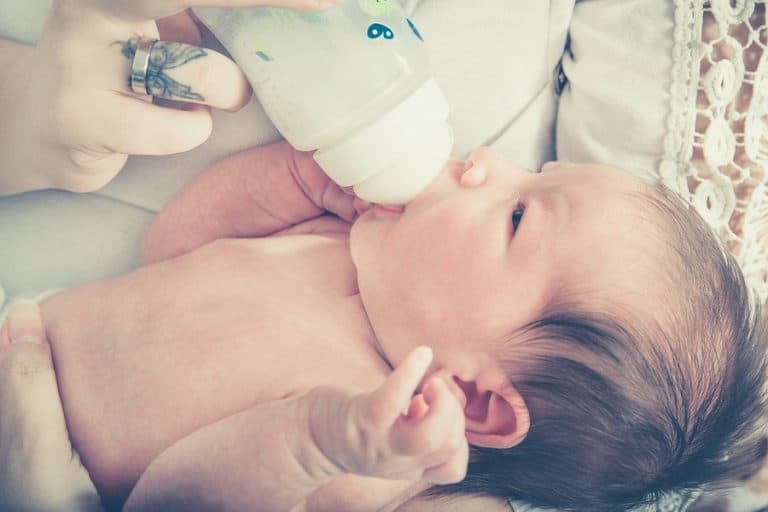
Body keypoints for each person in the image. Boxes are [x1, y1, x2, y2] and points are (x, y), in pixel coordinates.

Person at [2, 139, 763, 511]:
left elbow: (169, 506)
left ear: (475, 399)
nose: (488, 161)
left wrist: (315, 439)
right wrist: (292, 180)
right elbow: (170, 244)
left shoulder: (367, 448)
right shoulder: (345, 249)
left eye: (519, 211)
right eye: (539, 168)